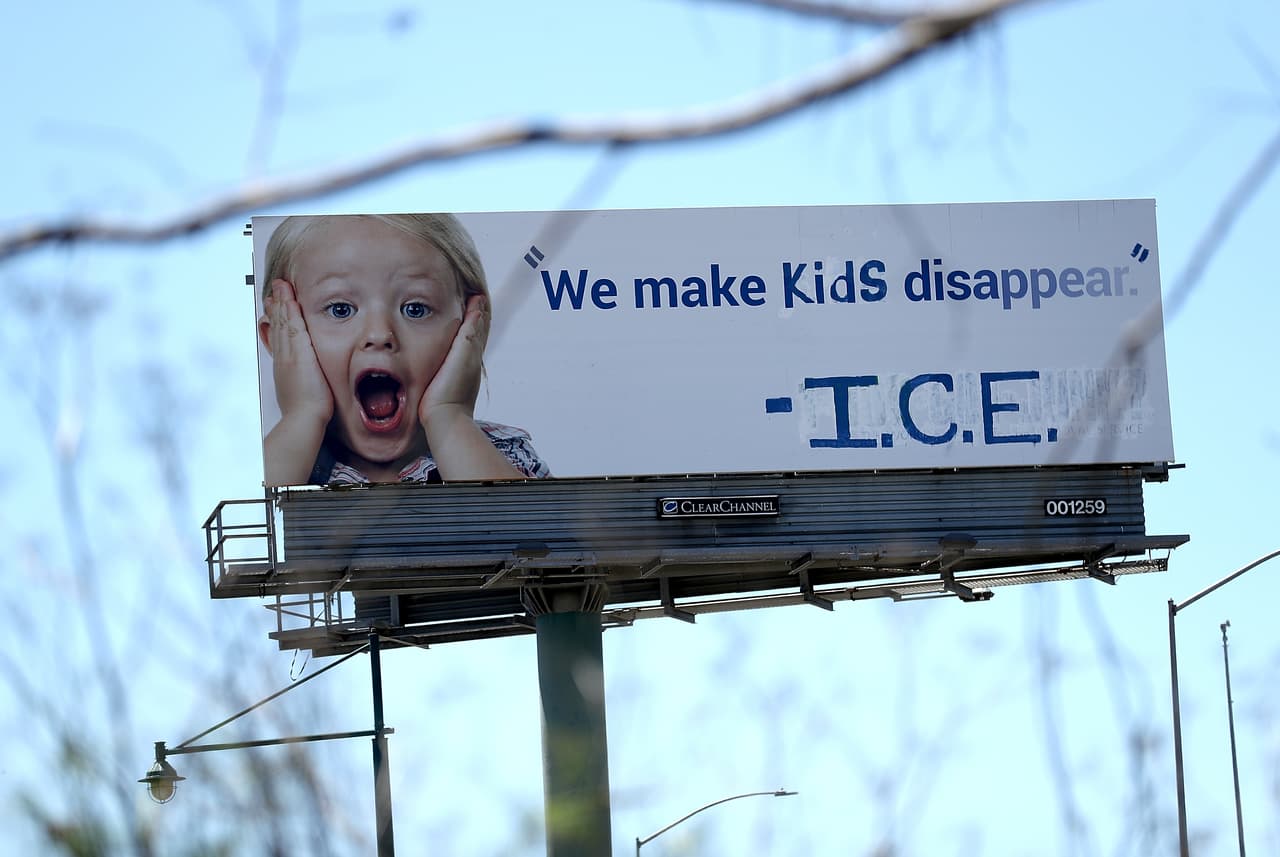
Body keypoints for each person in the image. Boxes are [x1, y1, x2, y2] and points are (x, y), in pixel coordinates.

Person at [257, 213, 549, 486]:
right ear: (280, 340)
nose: (379, 334)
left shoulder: (502, 453)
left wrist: (449, 415)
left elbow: (529, 525)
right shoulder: (273, 461)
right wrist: (302, 416)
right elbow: (251, 518)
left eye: (415, 309)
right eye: (340, 309)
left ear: (471, 331)